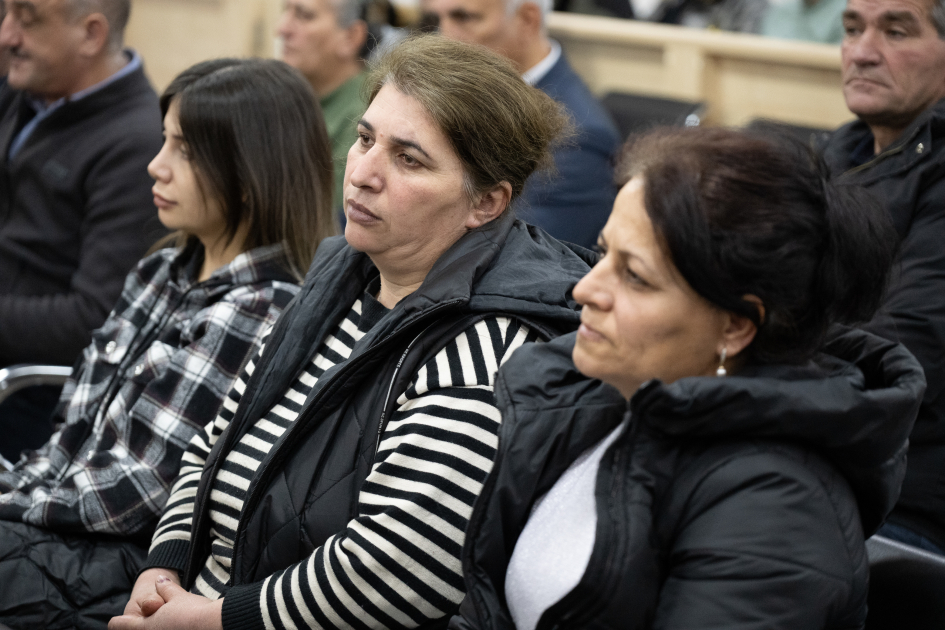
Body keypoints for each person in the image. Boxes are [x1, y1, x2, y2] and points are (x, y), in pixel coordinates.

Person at [110, 35, 590, 630]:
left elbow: (396, 568)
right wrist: (165, 566)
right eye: (365, 139)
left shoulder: (486, 349)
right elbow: (217, 438)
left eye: (408, 159)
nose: (362, 173)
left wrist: (214, 619)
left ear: (486, 203)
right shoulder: (342, 273)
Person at [451, 127, 926, 630]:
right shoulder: (602, 398)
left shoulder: (774, 510)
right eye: (604, 253)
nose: (585, 288)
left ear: (734, 326)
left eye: (636, 277)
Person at [0, 57, 336, 629]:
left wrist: (11, 498)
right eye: (164, 140)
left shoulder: (258, 309)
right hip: (60, 519)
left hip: (127, 563)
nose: (156, 166)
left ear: (248, 174)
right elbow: (71, 440)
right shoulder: (162, 269)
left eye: (184, 150)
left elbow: (138, 493)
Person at [0, 0, 164, 453]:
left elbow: (93, 318)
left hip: (32, 399)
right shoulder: (24, 93)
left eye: (27, 20)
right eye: (5, 15)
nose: (7, 36)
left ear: (91, 35)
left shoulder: (138, 144)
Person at [820, 0, 945, 553]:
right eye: (852, 29)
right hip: (821, 451)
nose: (863, 52)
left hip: (903, 492)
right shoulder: (839, 150)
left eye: (896, 31)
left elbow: (906, 349)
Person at [421, 0, 619, 250]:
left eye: (464, 18)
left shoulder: (580, 140)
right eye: (435, 20)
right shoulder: (450, 99)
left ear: (527, 20)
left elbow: (524, 259)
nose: (444, 37)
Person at [278, 0, 370, 209]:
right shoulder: (290, 97)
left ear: (350, 37)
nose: (282, 29)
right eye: (285, 12)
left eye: (304, 15)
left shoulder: (367, 111)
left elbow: (333, 217)